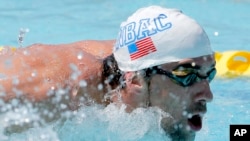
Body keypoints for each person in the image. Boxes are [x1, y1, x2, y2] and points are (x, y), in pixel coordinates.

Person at [0, 6, 216, 141]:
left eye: (209, 75)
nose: (207, 94)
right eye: (186, 75)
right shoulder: (53, 92)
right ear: (136, 80)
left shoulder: (144, 60)